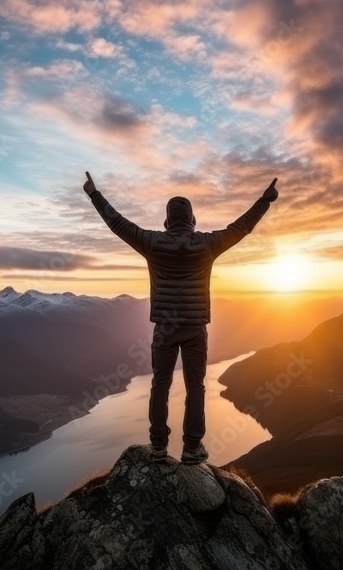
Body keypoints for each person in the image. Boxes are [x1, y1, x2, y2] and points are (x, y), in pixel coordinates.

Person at [83, 172, 278, 464]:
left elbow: (117, 224)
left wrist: (94, 194)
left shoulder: (151, 242)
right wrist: (265, 201)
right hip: (195, 328)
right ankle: (192, 448)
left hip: (164, 329)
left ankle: (158, 447)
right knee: (195, 386)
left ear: (167, 220)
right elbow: (242, 227)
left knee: (160, 385)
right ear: (192, 219)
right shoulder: (208, 244)